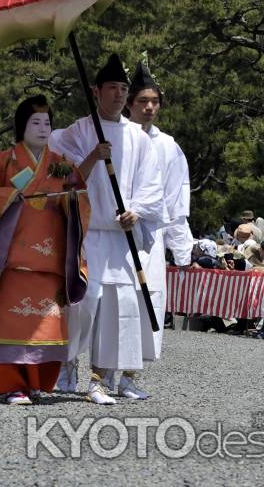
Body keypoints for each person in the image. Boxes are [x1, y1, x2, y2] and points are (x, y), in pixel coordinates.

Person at [49, 54, 165, 404]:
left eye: (122, 89)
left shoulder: (139, 139)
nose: (118, 95)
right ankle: (67, 363)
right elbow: (59, 179)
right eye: (112, 88)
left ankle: (101, 379)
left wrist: (138, 212)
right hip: (88, 234)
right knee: (85, 303)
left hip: (121, 238)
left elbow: (151, 186)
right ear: (95, 91)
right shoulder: (78, 131)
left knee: (122, 307)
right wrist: (92, 157)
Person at [0, 96, 90, 405]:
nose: (43, 127)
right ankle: (13, 385)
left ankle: (36, 382)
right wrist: (8, 196)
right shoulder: (1, 161)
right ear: (22, 126)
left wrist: (69, 198)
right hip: (10, 260)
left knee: (44, 327)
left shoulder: (61, 165)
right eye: (35, 122)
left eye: (47, 122)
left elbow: (80, 198)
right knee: (12, 324)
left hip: (49, 260)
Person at [122, 60, 193, 383]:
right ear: (129, 103)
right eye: (142, 101)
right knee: (111, 301)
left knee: (147, 300)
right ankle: (89, 369)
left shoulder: (168, 146)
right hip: (116, 230)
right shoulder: (116, 137)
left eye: (155, 102)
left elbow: (177, 198)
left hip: (152, 233)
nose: (149, 108)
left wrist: (182, 248)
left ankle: (131, 374)